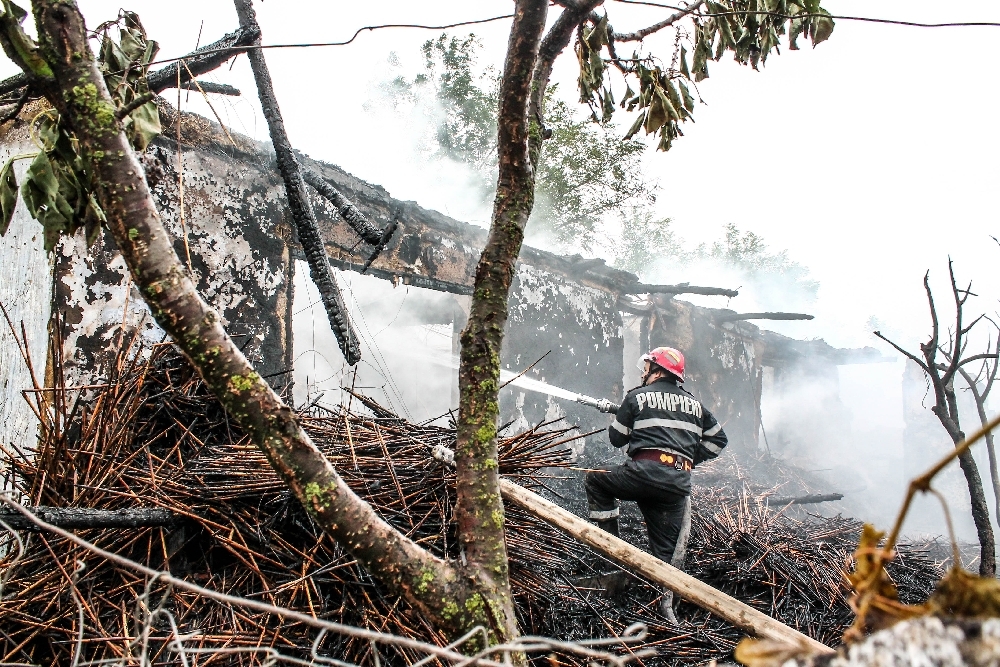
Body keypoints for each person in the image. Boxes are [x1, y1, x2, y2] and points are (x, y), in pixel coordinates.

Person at [584, 346, 728, 622]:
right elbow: (718, 440)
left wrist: (625, 416)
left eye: (647, 367)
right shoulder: (696, 406)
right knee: (665, 554)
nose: (644, 372)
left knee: (595, 480)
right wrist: (686, 460)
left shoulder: (636, 397)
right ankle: (664, 610)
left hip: (639, 477)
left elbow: (617, 438)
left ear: (658, 370)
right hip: (675, 486)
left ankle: (608, 554)